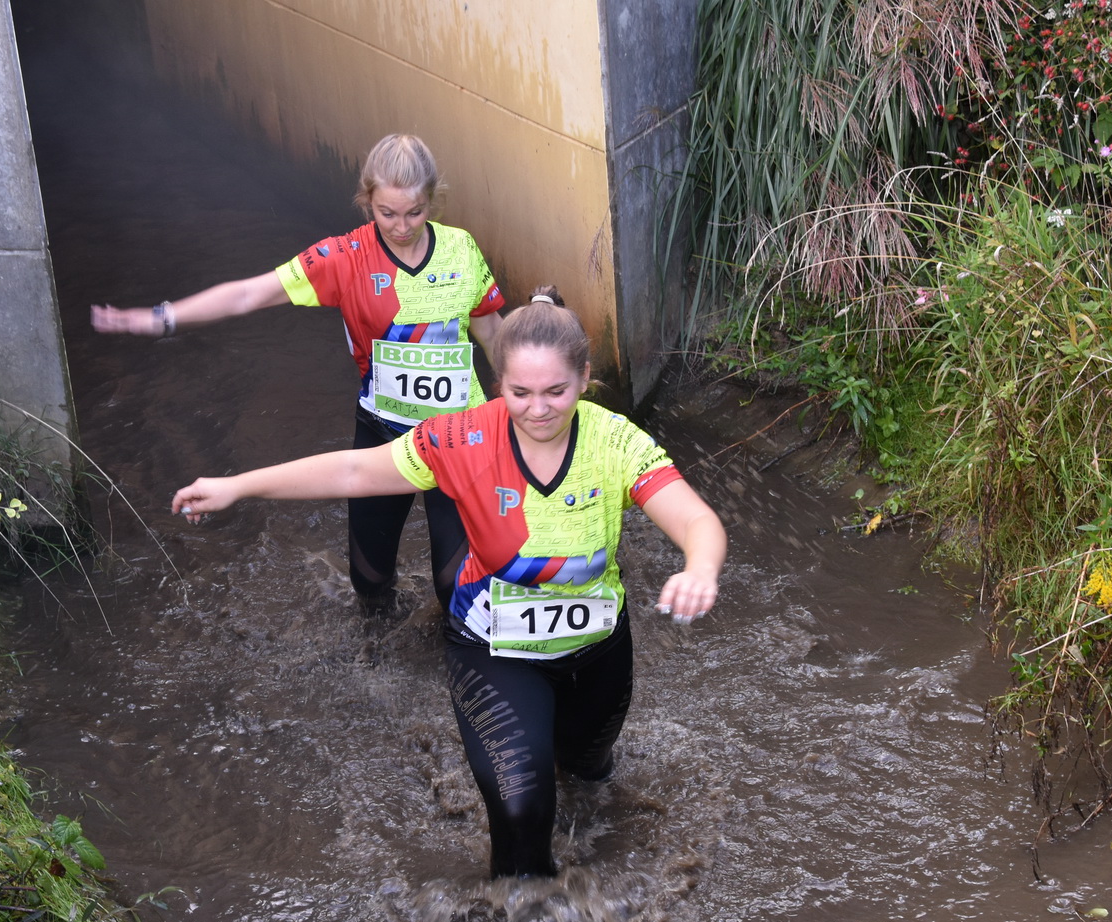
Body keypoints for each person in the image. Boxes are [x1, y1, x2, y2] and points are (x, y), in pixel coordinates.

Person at [171, 287, 726, 878]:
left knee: (590, 771)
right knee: (520, 812)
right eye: (520, 393)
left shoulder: (614, 440)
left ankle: (581, 801)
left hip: (598, 654)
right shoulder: (460, 440)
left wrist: (699, 566)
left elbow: (694, 518)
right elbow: (355, 468)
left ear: (585, 378)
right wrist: (239, 485)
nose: (538, 409)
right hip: (494, 653)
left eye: (556, 392)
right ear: (498, 383)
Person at [93, 133, 505, 612]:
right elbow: (250, 294)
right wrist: (164, 317)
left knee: (456, 588)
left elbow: (495, 337)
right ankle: (377, 654)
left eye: (414, 212)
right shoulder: (343, 258)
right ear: (366, 200)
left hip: (459, 436)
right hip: (384, 433)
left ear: (432, 199)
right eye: (386, 213)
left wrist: (519, 412)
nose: (401, 226)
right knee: (370, 584)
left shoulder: (462, 250)